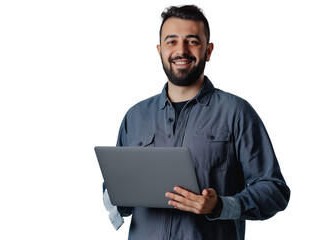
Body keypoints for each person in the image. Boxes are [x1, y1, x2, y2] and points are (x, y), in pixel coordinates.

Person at [102, 5, 290, 240]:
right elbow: (114, 191)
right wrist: (116, 195)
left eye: (192, 41)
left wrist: (219, 206)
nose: (181, 50)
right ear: (160, 50)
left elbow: (274, 190)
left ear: (208, 51)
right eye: (171, 41)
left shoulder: (237, 113)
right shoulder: (135, 117)